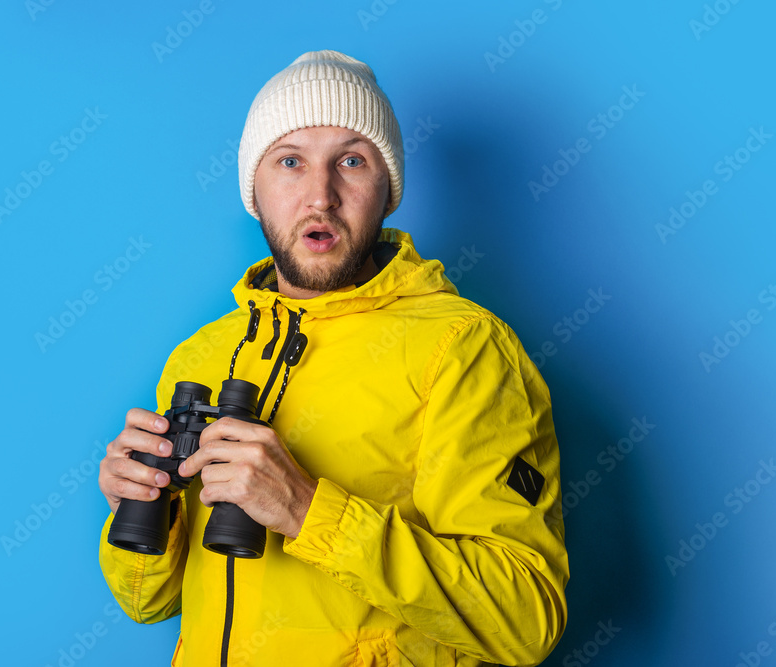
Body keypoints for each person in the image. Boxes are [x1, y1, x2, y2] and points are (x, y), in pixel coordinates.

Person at [98, 49, 568, 666]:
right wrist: (136, 507)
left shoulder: (464, 348)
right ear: (255, 192)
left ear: (388, 190)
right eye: (289, 162)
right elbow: (147, 604)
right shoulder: (203, 354)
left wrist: (308, 511)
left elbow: (524, 619)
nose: (320, 196)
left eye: (351, 161)